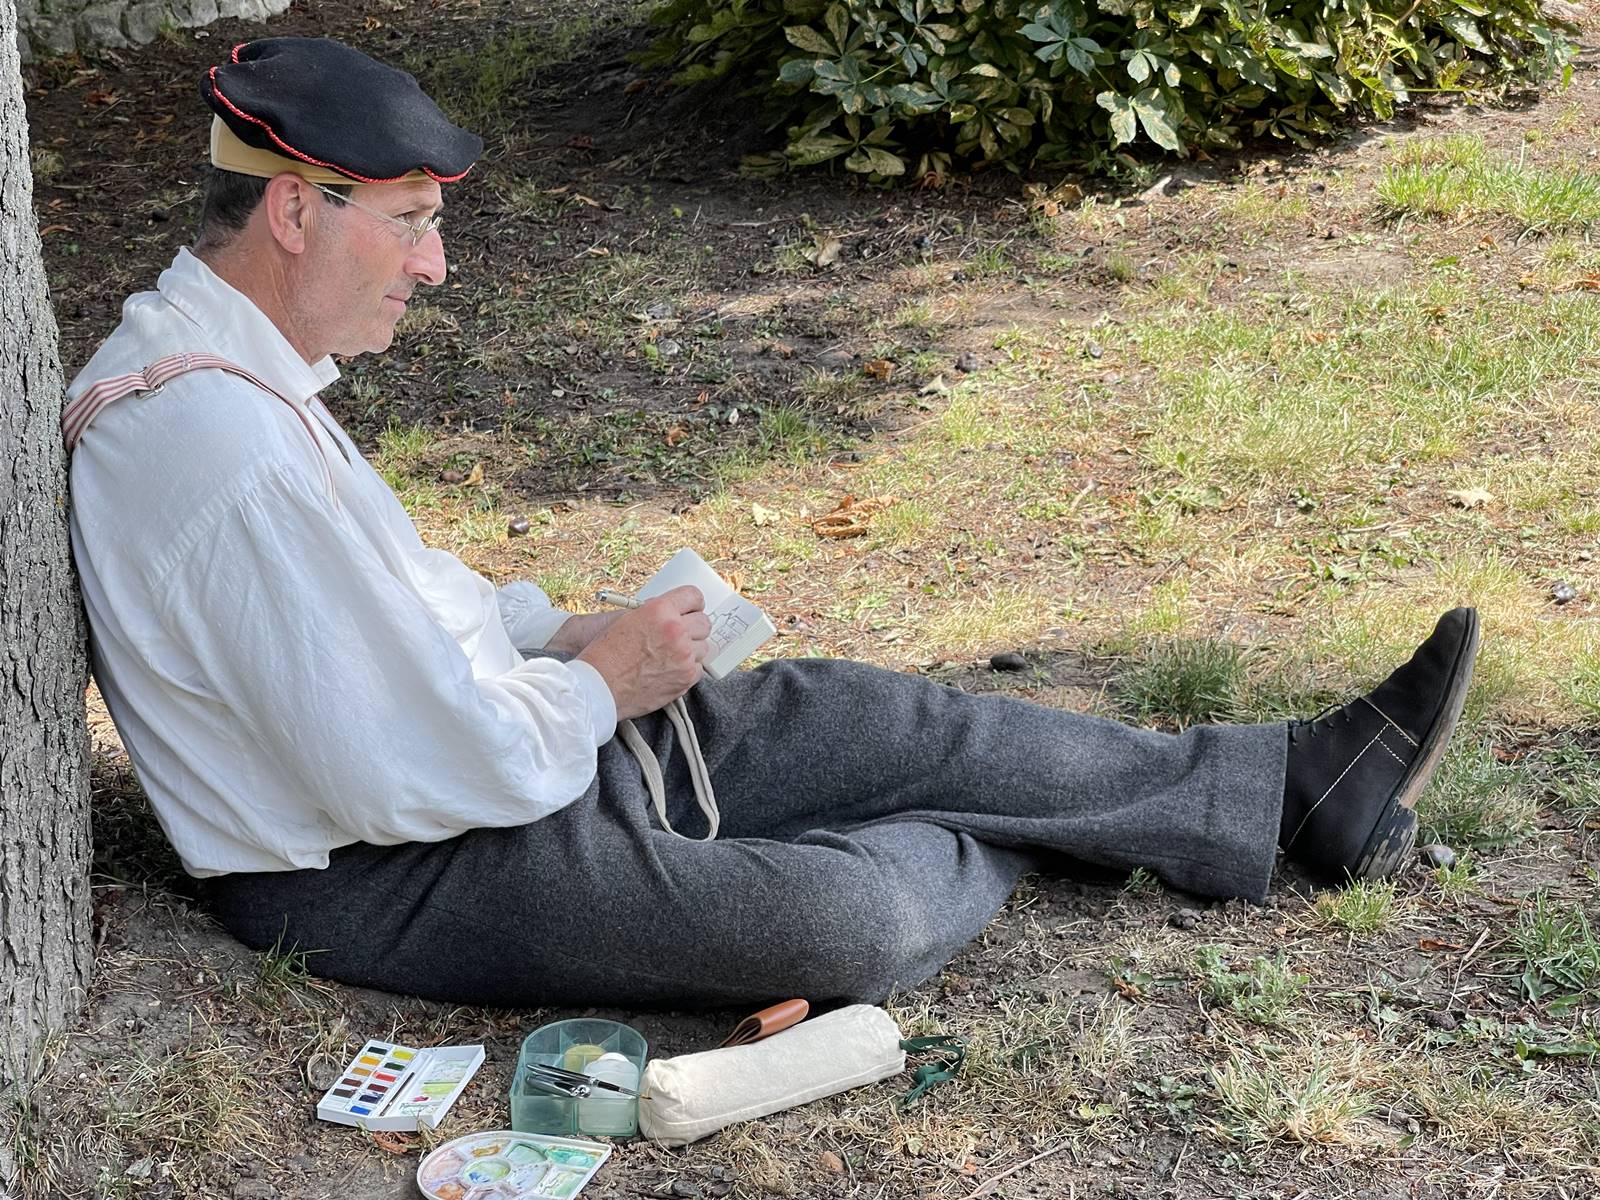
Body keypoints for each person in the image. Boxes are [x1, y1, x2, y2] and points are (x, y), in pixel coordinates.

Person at [65, 38, 1480, 1010]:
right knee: (843, 926)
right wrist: (599, 686)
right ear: (299, 213)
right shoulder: (215, 444)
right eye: (414, 219)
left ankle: (1291, 781)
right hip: (389, 871)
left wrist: (556, 632)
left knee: (862, 716)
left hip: (478, 761)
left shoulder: (226, 368)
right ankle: (1022, 831)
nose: (436, 265)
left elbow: (387, 605)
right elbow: (408, 771)